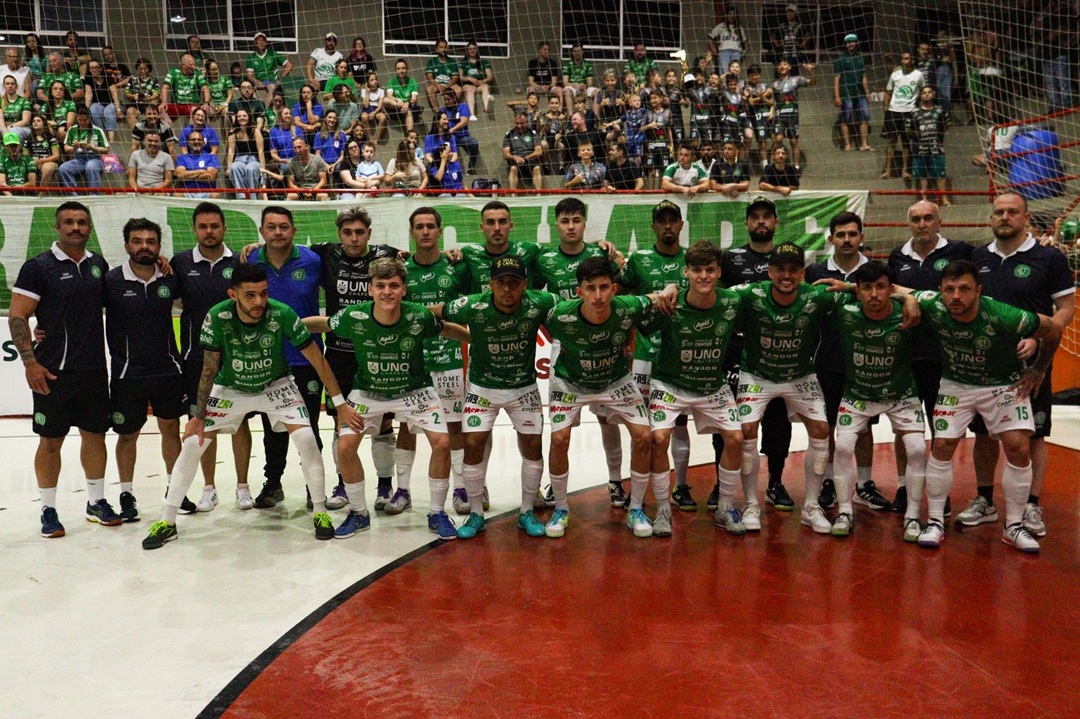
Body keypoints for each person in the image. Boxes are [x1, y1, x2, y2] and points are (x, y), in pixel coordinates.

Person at [141, 263, 352, 549]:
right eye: (250, 295)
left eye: (264, 294)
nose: (259, 302)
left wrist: (340, 404)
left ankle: (321, 512)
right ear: (233, 294)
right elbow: (208, 370)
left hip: (276, 385)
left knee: (306, 438)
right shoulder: (218, 316)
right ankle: (167, 521)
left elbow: (318, 359)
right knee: (193, 443)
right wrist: (198, 417)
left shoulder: (282, 314)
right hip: (231, 388)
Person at [732, 242, 907, 534]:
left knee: (822, 430)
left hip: (800, 375)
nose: (786, 275)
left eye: (793, 269)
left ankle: (811, 505)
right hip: (757, 375)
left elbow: (874, 294)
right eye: (780, 269)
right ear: (770, 272)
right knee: (747, 430)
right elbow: (711, 294)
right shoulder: (751, 293)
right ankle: (750, 503)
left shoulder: (818, 295)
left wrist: (859, 289)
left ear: (803, 272)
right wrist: (674, 290)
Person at [298, 257, 466, 541]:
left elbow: (448, 329)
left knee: (442, 443)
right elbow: (324, 324)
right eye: (380, 286)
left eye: (394, 285)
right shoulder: (355, 316)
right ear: (370, 290)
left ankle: (437, 512)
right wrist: (287, 325)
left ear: (403, 289)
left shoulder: (419, 316)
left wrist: (480, 340)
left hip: (415, 391)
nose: (387, 291)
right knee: (346, 446)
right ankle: (360, 514)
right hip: (369, 391)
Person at [911, 260, 1063, 552]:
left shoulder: (1007, 316)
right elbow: (897, 290)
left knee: (1018, 446)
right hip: (956, 384)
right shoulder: (933, 304)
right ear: (939, 291)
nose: (956, 296)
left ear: (978, 290)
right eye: (949, 289)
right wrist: (851, 287)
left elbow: (1053, 329)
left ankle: (1014, 526)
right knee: (941, 445)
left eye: (964, 289)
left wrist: (1039, 368)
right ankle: (935, 521)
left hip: (1002, 384)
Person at [961, 192, 1075, 538]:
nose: (1005, 217)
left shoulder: (1049, 257)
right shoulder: (977, 257)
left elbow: (1066, 308)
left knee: (1034, 435)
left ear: (1026, 217)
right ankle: (985, 500)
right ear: (990, 218)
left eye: (1012, 212)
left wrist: (1042, 339)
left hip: (1032, 363)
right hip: (984, 363)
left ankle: (1031, 505)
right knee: (983, 434)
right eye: (999, 212)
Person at [547, 256, 677, 538]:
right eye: (590, 288)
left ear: (615, 288)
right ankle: (560, 508)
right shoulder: (559, 314)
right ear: (578, 291)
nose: (598, 295)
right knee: (559, 439)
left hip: (615, 380)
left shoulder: (629, 307)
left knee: (644, 436)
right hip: (570, 382)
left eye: (604, 287)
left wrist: (669, 287)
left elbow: (655, 297)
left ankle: (636, 509)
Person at [10, 202, 114, 537]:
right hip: (52, 371)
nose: (76, 227)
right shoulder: (38, 267)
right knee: (50, 441)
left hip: (94, 371)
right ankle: (48, 509)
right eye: (68, 222)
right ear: (57, 227)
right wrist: (30, 363)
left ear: (90, 227)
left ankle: (96, 502)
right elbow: (17, 316)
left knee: (95, 436)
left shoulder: (98, 265)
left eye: (82, 222)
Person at [433, 255, 554, 539]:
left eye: (514, 283)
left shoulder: (541, 302)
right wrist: (395, 308)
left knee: (533, 447)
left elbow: (579, 305)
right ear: (490, 284)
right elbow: (435, 311)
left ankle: (526, 511)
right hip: (481, 388)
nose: (507, 289)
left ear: (525, 284)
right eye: (501, 283)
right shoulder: (471, 305)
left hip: (523, 388)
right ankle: (476, 514)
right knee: (473, 444)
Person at [646, 240, 745, 536]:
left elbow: (770, 290)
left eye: (710, 270)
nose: (704, 276)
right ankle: (663, 509)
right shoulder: (669, 304)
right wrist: (662, 292)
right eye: (697, 270)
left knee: (736, 438)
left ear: (719, 273)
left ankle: (725, 507)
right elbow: (639, 302)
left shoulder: (732, 301)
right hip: (669, 383)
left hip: (711, 385)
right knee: (659, 438)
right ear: (686, 272)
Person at [707, 197, 791, 519]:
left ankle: (776, 482)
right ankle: (720, 482)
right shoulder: (731, 258)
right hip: (735, 350)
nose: (760, 222)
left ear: (775, 222)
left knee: (777, 420)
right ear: (746, 223)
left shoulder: (786, 259)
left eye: (766, 217)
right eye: (754, 217)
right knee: (726, 419)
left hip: (776, 348)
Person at [828, 261, 925, 539]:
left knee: (917, 448)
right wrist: (847, 286)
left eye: (880, 287)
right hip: (858, 394)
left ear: (890, 289)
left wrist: (909, 297)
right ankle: (845, 510)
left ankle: (913, 517)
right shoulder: (845, 313)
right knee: (844, 446)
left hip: (901, 394)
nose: (873, 294)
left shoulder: (909, 313)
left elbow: (931, 294)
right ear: (858, 291)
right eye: (866, 288)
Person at [884, 200, 971, 511]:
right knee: (906, 428)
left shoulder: (959, 251)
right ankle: (905, 487)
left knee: (941, 428)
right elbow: (889, 291)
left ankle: (937, 488)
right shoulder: (897, 256)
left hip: (944, 356)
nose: (922, 224)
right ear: (909, 224)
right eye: (916, 219)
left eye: (928, 218)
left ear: (939, 221)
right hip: (906, 355)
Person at [170, 203, 253, 510]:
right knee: (204, 421)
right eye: (203, 226)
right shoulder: (179, 263)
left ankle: (243, 487)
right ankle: (209, 487)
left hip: (238, 357)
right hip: (196, 358)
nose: (209, 231)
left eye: (214, 226)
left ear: (224, 228)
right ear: (194, 229)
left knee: (240, 422)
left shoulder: (239, 261)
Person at [103, 219, 184, 523]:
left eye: (150, 241)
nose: (144, 246)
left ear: (158, 247)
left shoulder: (170, 278)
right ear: (127, 246)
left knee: (171, 430)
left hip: (167, 370)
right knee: (127, 436)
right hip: (127, 374)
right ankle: (126, 494)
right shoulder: (111, 281)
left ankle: (175, 491)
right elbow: (78, 309)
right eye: (137, 241)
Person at [804, 213, 881, 513]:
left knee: (863, 428)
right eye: (840, 234)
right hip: (827, 359)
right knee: (828, 425)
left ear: (861, 237)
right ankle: (828, 482)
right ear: (830, 239)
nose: (847, 239)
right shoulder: (814, 272)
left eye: (852, 234)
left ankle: (864, 484)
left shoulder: (876, 271)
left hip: (865, 362)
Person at [619, 200, 693, 509]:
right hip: (645, 353)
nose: (667, 225)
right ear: (653, 226)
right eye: (661, 220)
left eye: (672, 220)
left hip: (682, 352)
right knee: (647, 427)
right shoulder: (639, 259)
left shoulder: (693, 260)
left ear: (680, 225)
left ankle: (683, 485)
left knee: (679, 423)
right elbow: (621, 298)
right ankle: (641, 488)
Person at [397, 209, 467, 513]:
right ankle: (402, 490)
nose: (425, 231)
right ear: (412, 233)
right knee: (405, 427)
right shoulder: (400, 270)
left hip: (449, 359)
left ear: (440, 231)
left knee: (454, 426)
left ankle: (462, 487)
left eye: (430, 226)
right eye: (419, 227)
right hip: (412, 362)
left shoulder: (457, 267)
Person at [881, 52, 924, 179]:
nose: (903, 61)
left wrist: (919, 110)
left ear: (912, 60)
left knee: (906, 142)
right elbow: (888, 92)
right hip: (894, 111)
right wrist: (886, 109)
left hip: (909, 112)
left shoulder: (918, 75)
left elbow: (923, 92)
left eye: (906, 58)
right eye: (902, 58)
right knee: (891, 141)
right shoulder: (895, 74)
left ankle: (905, 171)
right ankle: (887, 171)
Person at [770, 58, 814, 167]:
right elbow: (769, 98)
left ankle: (796, 167)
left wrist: (810, 71)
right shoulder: (774, 84)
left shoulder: (796, 80)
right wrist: (771, 110)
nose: (782, 66)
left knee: (793, 141)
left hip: (792, 115)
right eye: (780, 65)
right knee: (778, 139)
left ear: (789, 67)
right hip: (780, 116)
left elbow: (812, 83)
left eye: (785, 64)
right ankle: (773, 165)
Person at [833, 33, 872, 152]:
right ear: (845, 44)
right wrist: (837, 96)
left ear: (857, 43)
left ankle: (864, 144)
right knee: (846, 118)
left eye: (853, 41)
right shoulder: (840, 59)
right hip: (846, 94)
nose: (851, 44)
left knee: (864, 117)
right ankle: (847, 145)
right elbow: (836, 79)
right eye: (848, 42)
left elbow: (864, 76)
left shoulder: (861, 58)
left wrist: (868, 92)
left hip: (860, 94)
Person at [910, 86, 949, 205]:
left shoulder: (940, 111)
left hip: (936, 147)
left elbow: (946, 127)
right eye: (924, 93)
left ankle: (944, 199)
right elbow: (909, 131)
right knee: (922, 176)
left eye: (929, 92)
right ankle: (924, 200)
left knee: (940, 175)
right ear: (920, 96)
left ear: (933, 94)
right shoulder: (914, 113)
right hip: (920, 148)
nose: (926, 95)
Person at [58, 106, 108, 194]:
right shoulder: (72, 130)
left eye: (85, 120)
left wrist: (92, 148)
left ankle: (94, 195)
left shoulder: (98, 130)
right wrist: (74, 148)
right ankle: (72, 195)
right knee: (63, 168)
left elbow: (106, 149)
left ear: (89, 118)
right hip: (79, 159)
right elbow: (66, 148)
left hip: (94, 158)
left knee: (91, 166)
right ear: (77, 118)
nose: (82, 122)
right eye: (80, 120)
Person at [439, 87, 479, 175]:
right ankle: (452, 169)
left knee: (473, 142)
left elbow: (464, 122)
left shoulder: (462, 106)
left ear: (454, 98)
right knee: (450, 140)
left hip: (463, 136)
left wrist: (451, 130)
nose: (446, 102)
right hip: (449, 136)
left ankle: (471, 168)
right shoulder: (442, 110)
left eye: (448, 99)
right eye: (445, 100)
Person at [226, 109, 264, 199]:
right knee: (234, 167)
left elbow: (261, 151)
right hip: (239, 159)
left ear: (248, 117)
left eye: (244, 116)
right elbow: (230, 151)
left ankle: (253, 197)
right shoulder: (233, 133)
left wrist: (263, 168)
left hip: (253, 159)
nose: (241, 118)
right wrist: (228, 168)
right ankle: (241, 198)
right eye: (239, 116)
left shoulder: (255, 131)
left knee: (250, 169)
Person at [160, 53, 208, 124]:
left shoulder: (197, 73)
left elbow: (205, 88)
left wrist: (206, 102)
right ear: (183, 65)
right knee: (162, 110)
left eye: (194, 64)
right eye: (191, 65)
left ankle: (192, 134)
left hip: (192, 104)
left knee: (195, 111)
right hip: (176, 105)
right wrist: (164, 102)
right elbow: (165, 87)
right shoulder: (173, 72)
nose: (194, 67)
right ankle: (169, 133)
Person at [503, 112, 544, 191]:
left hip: (530, 161)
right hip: (515, 162)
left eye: (522, 123)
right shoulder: (509, 134)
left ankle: (539, 196)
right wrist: (514, 157)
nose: (519, 126)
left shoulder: (533, 133)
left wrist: (526, 158)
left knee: (537, 168)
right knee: (513, 169)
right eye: (517, 123)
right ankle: (513, 197)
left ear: (527, 122)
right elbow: (505, 154)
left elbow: (539, 151)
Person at [174, 131, 220, 198]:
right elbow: (180, 175)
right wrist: (201, 171)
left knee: (215, 195)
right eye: (193, 140)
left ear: (204, 143)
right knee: (177, 195)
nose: (196, 142)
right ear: (188, 143)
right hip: (186, 191)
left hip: (207, 191)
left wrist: (187, 175)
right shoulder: (182, 158)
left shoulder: (212, 157)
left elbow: (211, 177)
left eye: (199, 140)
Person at [246, 32, 293, 98]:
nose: (261, 42)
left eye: (263, 40)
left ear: (266, 42)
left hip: (271, 81)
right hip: (257, 81)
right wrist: (257, 81)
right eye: (259, 40)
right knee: (248, 90)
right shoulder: (251, 57)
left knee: (272, 87)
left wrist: (281, 78)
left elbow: (289, 66)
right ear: (255, 42)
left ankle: (266, 108)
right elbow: (249, 75)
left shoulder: (272, 54)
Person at [282, 135, 328, 201]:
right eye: (295, 148)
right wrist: (302, 191)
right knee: (291, 196)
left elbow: (323, 181)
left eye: (299, 147)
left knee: (323, 196)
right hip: (299, 190)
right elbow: (290, 183)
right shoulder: (290, 163)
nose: (297, 150)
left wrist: (312, 191)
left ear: (306, 147)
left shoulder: (318, 160)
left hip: (316, 188)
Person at [708, 7, 750, 72]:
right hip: (724, 51)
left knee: (735, 71)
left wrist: (746, 50)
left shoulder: (739, 27)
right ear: (726, 15)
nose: (731, 16)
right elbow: (711, 37)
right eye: (730, 14)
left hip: (736, 51)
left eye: (733, 14)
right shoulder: (721, 26)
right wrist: (713, 48)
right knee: (724, 71)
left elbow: (745, 40)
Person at [384, 59, 421, 133]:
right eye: (398, 68)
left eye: (403, 68)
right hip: (396, 105)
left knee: (408, 111)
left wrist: (407, 103)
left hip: (408, 106)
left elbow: (414, 98)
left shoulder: (412, 82)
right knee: (384, 100)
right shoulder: (391, 81)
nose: (401, 71)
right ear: (395, 70)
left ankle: (410, 134)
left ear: (407, 69)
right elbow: (389, 96)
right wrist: (398, 99)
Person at [459, 41, 494, 117]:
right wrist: (469, 78)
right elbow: (460, 77)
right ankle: (472, 114)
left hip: (480, 85)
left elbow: (490, 76)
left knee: (485, 87)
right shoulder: (463, 63)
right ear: (467, 51)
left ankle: (486, 106)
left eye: (474, 49)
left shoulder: (483, 62)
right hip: (468, 85)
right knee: (470, 89)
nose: (472, 51)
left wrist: (483, 81)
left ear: (477, 50)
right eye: (470, 49)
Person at [123, 58, 161, 128]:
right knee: (130, 111)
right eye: (140, 68)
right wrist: (134, 96)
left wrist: (147, 98)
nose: (142, 71)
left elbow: (156, 94)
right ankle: (136, 133)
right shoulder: (132, 80)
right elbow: (127, 94)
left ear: (149, 69)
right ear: (137, 69)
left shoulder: (154, 80)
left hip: (149, 104)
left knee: (152, 110)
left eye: (145, 68)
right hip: (136, 105)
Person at [771, 4, 809, 74]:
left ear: (795, 13)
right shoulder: (782, 25)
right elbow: (773, 36)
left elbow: (807, 35)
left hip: (794, 55)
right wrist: (778, 45)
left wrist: (801, 45)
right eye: (788, 12)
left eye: (792, 12)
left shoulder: (799, 26)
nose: (789, 14)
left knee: (794, 74)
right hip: (784, 55)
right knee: (783, 73)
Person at [424, 39, 460, 110]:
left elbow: (455, 78)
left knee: (459, 89)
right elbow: (429, 77)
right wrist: (438, 85)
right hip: (437, 85)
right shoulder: (432, 61)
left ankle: (452, 110)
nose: (443, 49)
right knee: (429, 89)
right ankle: (438, 113)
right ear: (437, 49)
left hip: (449, 85)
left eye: (445, 47)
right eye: (441, 47)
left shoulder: (452, 62)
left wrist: (447, 85)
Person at [25, 114, 60, 187]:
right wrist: (33, 161)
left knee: (47, 168)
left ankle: (41, 195)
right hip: (33, 161)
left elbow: (56, 156)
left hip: (49, 161)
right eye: (34, 121)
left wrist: (42, 161)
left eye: (38, 121)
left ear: (44, 124)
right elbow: (25, 156)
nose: (35, 122)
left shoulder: (51, 139)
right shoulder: (28, 139)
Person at [42, 79, 76, 144]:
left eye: (61, 89)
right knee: (47, 128)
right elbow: (41, 121)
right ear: (51, 92)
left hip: (66, 130)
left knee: (61, 130)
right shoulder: (45, 106)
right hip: (52, 130)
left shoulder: (70, 103)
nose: (58, 91)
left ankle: (65, 148)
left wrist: (56, 125)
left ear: (64, 92)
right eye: (55, 89)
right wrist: (49, 122)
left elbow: (69, 123)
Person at [0, 130, 35, 194]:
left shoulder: (29, 160)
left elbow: (32, 184)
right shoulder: (2, 161)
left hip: (26, 194)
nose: (13, 148)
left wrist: (13, 188)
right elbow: (2, 184)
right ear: (5, 147)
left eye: (15, 145)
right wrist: (11, 198)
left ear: (20, 145)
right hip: (9, 194)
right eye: (10, 146)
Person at [0, 73, 31, 142]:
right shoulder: (1, 101)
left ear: (16, 86)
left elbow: (25, 121)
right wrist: (4, 128)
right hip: (4, 127)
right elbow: (0, 118)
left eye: (12, 84)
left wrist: (10, 126)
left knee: (13, 131)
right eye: (7, 84)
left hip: (21, 128)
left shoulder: (24, 101)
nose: (10, 86)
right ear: (4, 86)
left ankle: (16, 152)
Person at [360, 73, 388, 144]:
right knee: (364, 116)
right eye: (372, 80)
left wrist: (374, 113)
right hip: (367, 109)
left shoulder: (380, 91)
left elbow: (380, 106)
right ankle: (369, 138)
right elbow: (366, 105)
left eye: (375, 79)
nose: (375, 81)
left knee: (383, 117)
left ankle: (376, 138)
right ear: (367, 83)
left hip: (377, 110)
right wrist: (368, 92)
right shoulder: (364, 91)